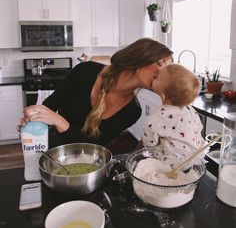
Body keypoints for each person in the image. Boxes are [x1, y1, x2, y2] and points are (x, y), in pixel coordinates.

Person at [19, 38, 173, 149]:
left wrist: (60, 121)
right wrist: (33, 121)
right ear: (140, 57)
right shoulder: (85, 71)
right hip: (51, 151)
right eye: (160, 63)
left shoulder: (132, 111)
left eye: (169, 68)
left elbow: (92, 146)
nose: (164, 72)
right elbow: (49, 107)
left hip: (87, 163)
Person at [141, 63, 205, 165]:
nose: (155, 77)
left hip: (170, 165)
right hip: (194, 161)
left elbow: (149, 142)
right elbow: (198, 128)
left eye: (157, 77)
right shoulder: (191, 110)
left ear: (162, 96)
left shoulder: (157, 117)